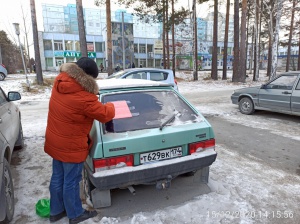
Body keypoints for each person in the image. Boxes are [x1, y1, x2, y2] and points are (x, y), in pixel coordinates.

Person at [44, 57, 115, 224]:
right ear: (88, 78)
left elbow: (74, 103)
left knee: (57, 177)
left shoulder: (60, 82)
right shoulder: (85, 98)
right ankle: (75, 214)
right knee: (71, 181)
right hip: (71, 146)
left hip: (55, 141)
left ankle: (56, 211)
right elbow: (105, 114)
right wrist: (111, 105)